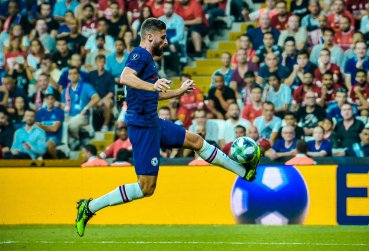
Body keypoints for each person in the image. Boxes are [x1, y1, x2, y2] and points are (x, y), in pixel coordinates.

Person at [75, 18, 260, 237]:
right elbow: (125, 77)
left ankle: (243, 172)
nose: (165, 42)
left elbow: (154, 92)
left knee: (196, 141)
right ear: (150, 37)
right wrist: (153, 85)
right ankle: (89, 207)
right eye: (163, 38)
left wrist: (178, 92)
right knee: (146, 188)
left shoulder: (149, 61)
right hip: (142, 128)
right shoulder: (139, 54)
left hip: (153, 121)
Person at [61, 67, 100, 149]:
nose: (72, 75)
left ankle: (77, 139)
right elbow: (64, 106)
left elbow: (96, 98)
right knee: (62, 124)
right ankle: (71, 144)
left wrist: (86, 108)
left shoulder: (86, 86)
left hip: (82, 115)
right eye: (70, 74)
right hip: (69, 116)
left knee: (70, 124)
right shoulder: (65, 90)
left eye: (74, 73)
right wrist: (58, 105)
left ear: (79, 75)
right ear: (68, 76)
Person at [88, 55, 115, 132]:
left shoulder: (109, 76)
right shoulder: (91, 75)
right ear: (96, 63)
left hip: (104, 99)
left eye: (103, 62)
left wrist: (102, 100)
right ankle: (90, 126)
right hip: (93, 99)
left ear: (105, 63)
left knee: (107, 102)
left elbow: (111, 92)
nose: (101, 64)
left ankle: (105, 125)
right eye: (99, 62)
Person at [35, 94, 64, 159]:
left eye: (52, 99)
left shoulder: (59, 111)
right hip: (41, 137)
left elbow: (55, 129)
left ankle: (57, 162)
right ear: (45, 100)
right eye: (48, 99)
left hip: (54, 137)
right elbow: (37, 127)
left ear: (54, 101)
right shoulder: (40, 112)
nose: (50, 101)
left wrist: (42, 126)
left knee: (49, 145)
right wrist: (45, 127)